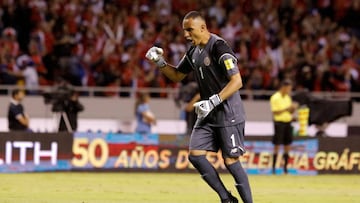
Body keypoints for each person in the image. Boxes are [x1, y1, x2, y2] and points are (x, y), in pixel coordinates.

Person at [146, 11, 252, 203]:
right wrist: (159, 62)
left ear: (203, 28)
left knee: (231, 161)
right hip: (208, 114)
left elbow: (237, 81)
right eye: (184, 30)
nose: (186, 35)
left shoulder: (219, 47)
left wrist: (213, 101)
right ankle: (226, 198)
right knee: (195, 155)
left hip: (228, 114)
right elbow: (178, 75)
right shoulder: (194, 51)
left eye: (189, 30)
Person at [269, 79, 298, 174]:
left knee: (287, 145)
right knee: (277, 144)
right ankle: (273, 168)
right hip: (279, 123)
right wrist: (287, 109)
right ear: (284, 87)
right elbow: (275, 112)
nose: (289, 90)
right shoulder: (275, 97)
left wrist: (293, 109)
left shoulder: (287, 98)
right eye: (289, 88)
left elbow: (289, 111)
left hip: (288, 123)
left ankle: (285, 169)